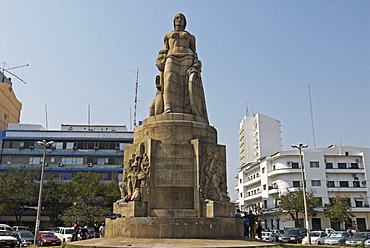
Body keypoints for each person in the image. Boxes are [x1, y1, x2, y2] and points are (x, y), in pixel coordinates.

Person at [156, 13, 208, 121]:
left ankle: (187, 109)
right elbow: (165, 49)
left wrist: (196, 63)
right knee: (169, 79)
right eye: (176, 18)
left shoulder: (190, 37)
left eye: (181, 18)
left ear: (185, 22)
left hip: (187, 58)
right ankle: (168, 107)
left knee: (185, 83)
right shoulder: (168, 35)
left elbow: (194, 52)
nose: (178, 20)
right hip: (172, 57)